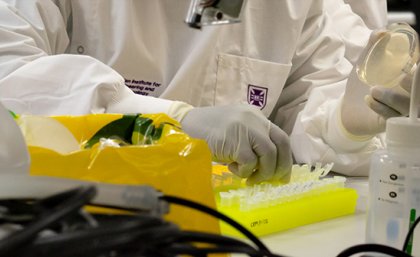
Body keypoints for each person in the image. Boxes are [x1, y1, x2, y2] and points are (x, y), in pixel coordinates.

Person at [0, 0, 409, 181]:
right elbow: (11, 72)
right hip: (83, 215)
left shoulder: (294, 4)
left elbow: (306, 100)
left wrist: (345, 125)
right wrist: (169, 120)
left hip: (234, 226)